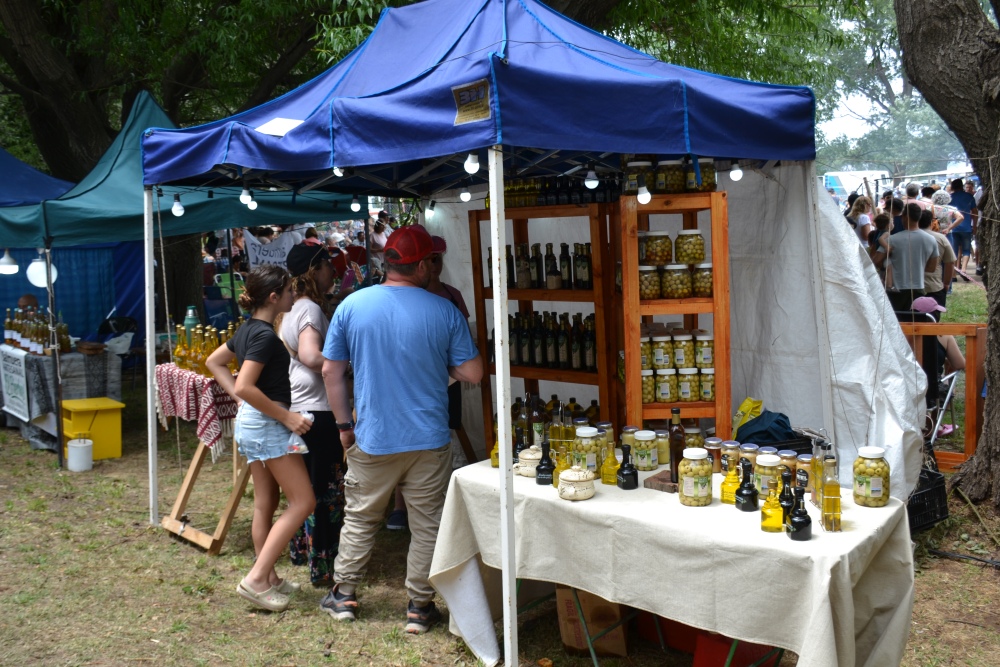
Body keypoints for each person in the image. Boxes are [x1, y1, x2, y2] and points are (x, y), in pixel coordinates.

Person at [320, 225, 483, 633]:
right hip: (428, 437)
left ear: (386, 262)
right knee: (426, 523)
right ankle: (418, 607)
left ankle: (344, 595)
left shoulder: (353, 305)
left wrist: (343, 425)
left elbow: (331, 370)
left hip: (373, 435)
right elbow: (473, 372)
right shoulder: (443, 309)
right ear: (425, 263)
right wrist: (436, 370)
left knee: (360, 517)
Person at [205, 265, 315, 613]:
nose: (293, 296)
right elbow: (244, 385)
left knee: (265, 502)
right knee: (303, 502)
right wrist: (287, 417)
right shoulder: (265, 335)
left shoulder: (248, 329)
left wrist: (243, 401)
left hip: (253, 423)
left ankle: (267, 578)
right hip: (267, 424)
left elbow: (214, 362)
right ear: (273, 297)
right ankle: (256, 580)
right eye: (288, 291)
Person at [386, 235, 471, 532]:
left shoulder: (451, 296)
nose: (435, 265)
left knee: (443, 432)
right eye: (431, 259)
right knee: (410, 440)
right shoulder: (402, 297)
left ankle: (440, 503)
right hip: (416, 378)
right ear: (420, 264)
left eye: (439, 258)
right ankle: (400, 506)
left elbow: (465, 346)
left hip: (446, 379)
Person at [278, 244, 346, 586]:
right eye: (328, 265)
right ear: (314, 270)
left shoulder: (289, 310)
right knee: (325, 493)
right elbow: (309, 355)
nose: (334, 271)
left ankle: (301, 551)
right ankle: (324, 566)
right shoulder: (309, 310)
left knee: (302, 491)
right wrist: (343, 365)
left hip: (296, 411)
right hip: (318, 414)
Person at [887, 203, 939, 311]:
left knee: (897, 322)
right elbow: (932, 268)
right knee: (914, 322)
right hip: (918, 287)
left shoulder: (892, 239)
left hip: (896, 288)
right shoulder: (931, 239)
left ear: (905, 217)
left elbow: (877, 261)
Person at [917, 209, 955, 308]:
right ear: (931, 222)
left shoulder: (906, 237)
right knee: (934, 319)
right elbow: (950, 262)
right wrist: (946, 283)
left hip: (911, 287)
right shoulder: (941, 238)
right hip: (934, 286)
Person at [946, 178, 978, 277]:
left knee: (954, 250)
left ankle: (954, 273)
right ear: (962, 186)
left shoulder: (949, 198)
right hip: (966, 227)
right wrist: (975, 225)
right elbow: (975, 212)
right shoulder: (969, 197)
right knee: (966, 250)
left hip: (953, 227)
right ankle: (963, 270)